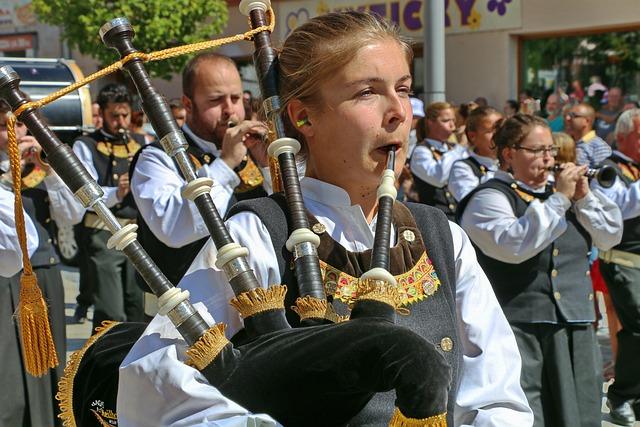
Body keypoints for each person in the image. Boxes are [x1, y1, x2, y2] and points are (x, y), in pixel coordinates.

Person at [119, 11, 533, 426]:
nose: (399, 112)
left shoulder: (443, 237)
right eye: (368, 92)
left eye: (404, 89)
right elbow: (160, 383)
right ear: (303, 118)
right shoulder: (258, 236)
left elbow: (496, 396)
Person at [458, 113, 622, 427]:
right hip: (519, 327)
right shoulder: (490, 197)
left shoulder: (566, 195)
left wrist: (584, 196)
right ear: (508, 154)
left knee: (581, 411)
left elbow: (609, 235)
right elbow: (514, 245)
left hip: (575, 322)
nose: (548, 158)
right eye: (537, 150)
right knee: (531, 412)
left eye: (550, 150)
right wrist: (560, 198)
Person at [129, 53, 269, 290]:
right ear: (188, 105)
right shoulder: (156, 157)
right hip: (183, 313)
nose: (230, 110)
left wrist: (268, 165)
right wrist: (225, 164)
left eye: (235, 98)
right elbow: (174, 228)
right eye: (216, 100)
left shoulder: (250, 151)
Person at [0, 99, 85, 426]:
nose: (15, 132)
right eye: (4, 125)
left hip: (42, 277)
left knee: (47, 366)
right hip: (4, 279)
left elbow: (73, 214)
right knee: (9, 376)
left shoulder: (40, 168)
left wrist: (49, 170)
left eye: (21, 125)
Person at [73, 83, 147, 330]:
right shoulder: (85, 145)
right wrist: (119, 191)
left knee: (139, 307)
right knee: (111, 311)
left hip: (138, 234)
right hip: (104, 233)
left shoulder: (142, 141)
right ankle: (104, 364)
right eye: (114, 116)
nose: (121, 121)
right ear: (102, 113)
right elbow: (84, 195)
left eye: (125, 114)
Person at [593, 108, 640, 426]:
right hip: (625, 261)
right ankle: (621, 394)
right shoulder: (608, 169)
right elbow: (615, 210)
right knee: (637, 328)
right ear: (623, 135)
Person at [410, 101, 468, 220]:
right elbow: (438, 178)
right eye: (446, 121)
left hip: (458, 217)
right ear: (430, 122)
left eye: (453, 121)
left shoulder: (454, 149)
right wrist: (459, 147)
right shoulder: (421, 151)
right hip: (433, 220)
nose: (452, 126)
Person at [448, 106, 502, 202]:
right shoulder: (463, 168)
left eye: (501, 130)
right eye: (492, 131)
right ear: (472, 136)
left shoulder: (512, 163)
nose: (499, 135)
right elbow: (472, 201)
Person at [565, 103, 612, 168]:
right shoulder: (568, 143)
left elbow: (606, 174)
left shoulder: (598, 146)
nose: (568, 118)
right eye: (568, 115)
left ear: (587, 121)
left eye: (573, 115)